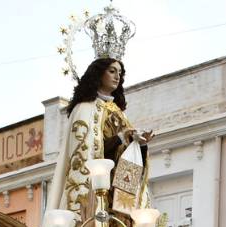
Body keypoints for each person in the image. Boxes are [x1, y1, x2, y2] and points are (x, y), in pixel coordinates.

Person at [46, 57, 151, 218]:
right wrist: (121, 138)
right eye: (112, 71)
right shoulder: (84, 109)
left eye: (120, 73)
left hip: (116, 189)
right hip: (96, 187)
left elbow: (128, 155)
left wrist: (140, 144)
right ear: (99, 74)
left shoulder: (119, 113)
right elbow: (85, 153)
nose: (117, 77)